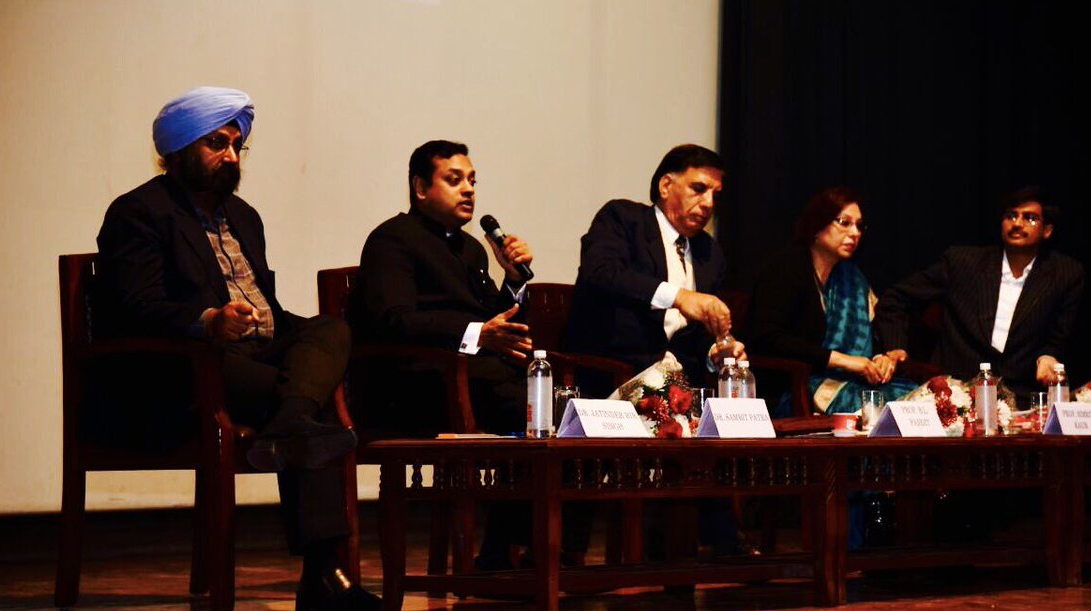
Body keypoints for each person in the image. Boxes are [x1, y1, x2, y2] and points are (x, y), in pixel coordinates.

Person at [96, 86, 379, 611]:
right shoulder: (139, 213)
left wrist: (310, 339)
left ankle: (290, 423)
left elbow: (269, 309)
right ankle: (323, 575)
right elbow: (134, 307)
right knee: (311, 406)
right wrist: (208, 321)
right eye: (216, 144)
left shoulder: (244, 216)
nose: (230, 156)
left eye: (236, 145)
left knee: (330, 330)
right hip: (187, 368)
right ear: (178, 149)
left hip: (256, 357)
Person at [354, 140, 584, 570]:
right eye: (454, 179)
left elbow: (497, 321)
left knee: (565, 412)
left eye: (473, 181)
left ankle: (539, 552)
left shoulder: (472, 249)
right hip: (416, 384)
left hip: (475, 378)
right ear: (420, 188)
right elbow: (394, 321)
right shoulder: (392, 240)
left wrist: (513, 282)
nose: (468, 190)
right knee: (531, 410)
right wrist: (479, 334)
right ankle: (517, 554)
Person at [565, 144, 751, 556]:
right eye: (699, 188)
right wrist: (679, 296)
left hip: (678, 381)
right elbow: (601, 272)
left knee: (725, 406)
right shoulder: (623, 220)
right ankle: (717, 543)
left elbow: (695, 336)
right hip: (611, 369)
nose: (708, 203)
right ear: (667, 185)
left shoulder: (709, 252)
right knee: (681, 407)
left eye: (715, 194)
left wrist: (717, 353)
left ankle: (692, 545)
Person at [875, 186, 1084, 394]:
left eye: (1030, 218)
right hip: (957, 392)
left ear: (1047, 230)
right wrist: (896, 347)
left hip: (1023, 395)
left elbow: (1059, 336)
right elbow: (895, 298)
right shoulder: (962, 263)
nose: (1017, 223)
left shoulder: (1064, 274)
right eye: (1011, 216)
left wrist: (1048, 356)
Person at [743, 186, 915, 416]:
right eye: (844, 223)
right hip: (792, 387)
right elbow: (767, 338)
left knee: (921, 402)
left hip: (852, 382)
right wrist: (843, 361)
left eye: (859, 226)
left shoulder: (853, 278)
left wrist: (881, 359)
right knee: (881, 410)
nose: (854, 233)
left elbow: (872, 339)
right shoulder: (786, 271)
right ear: (817, 225)